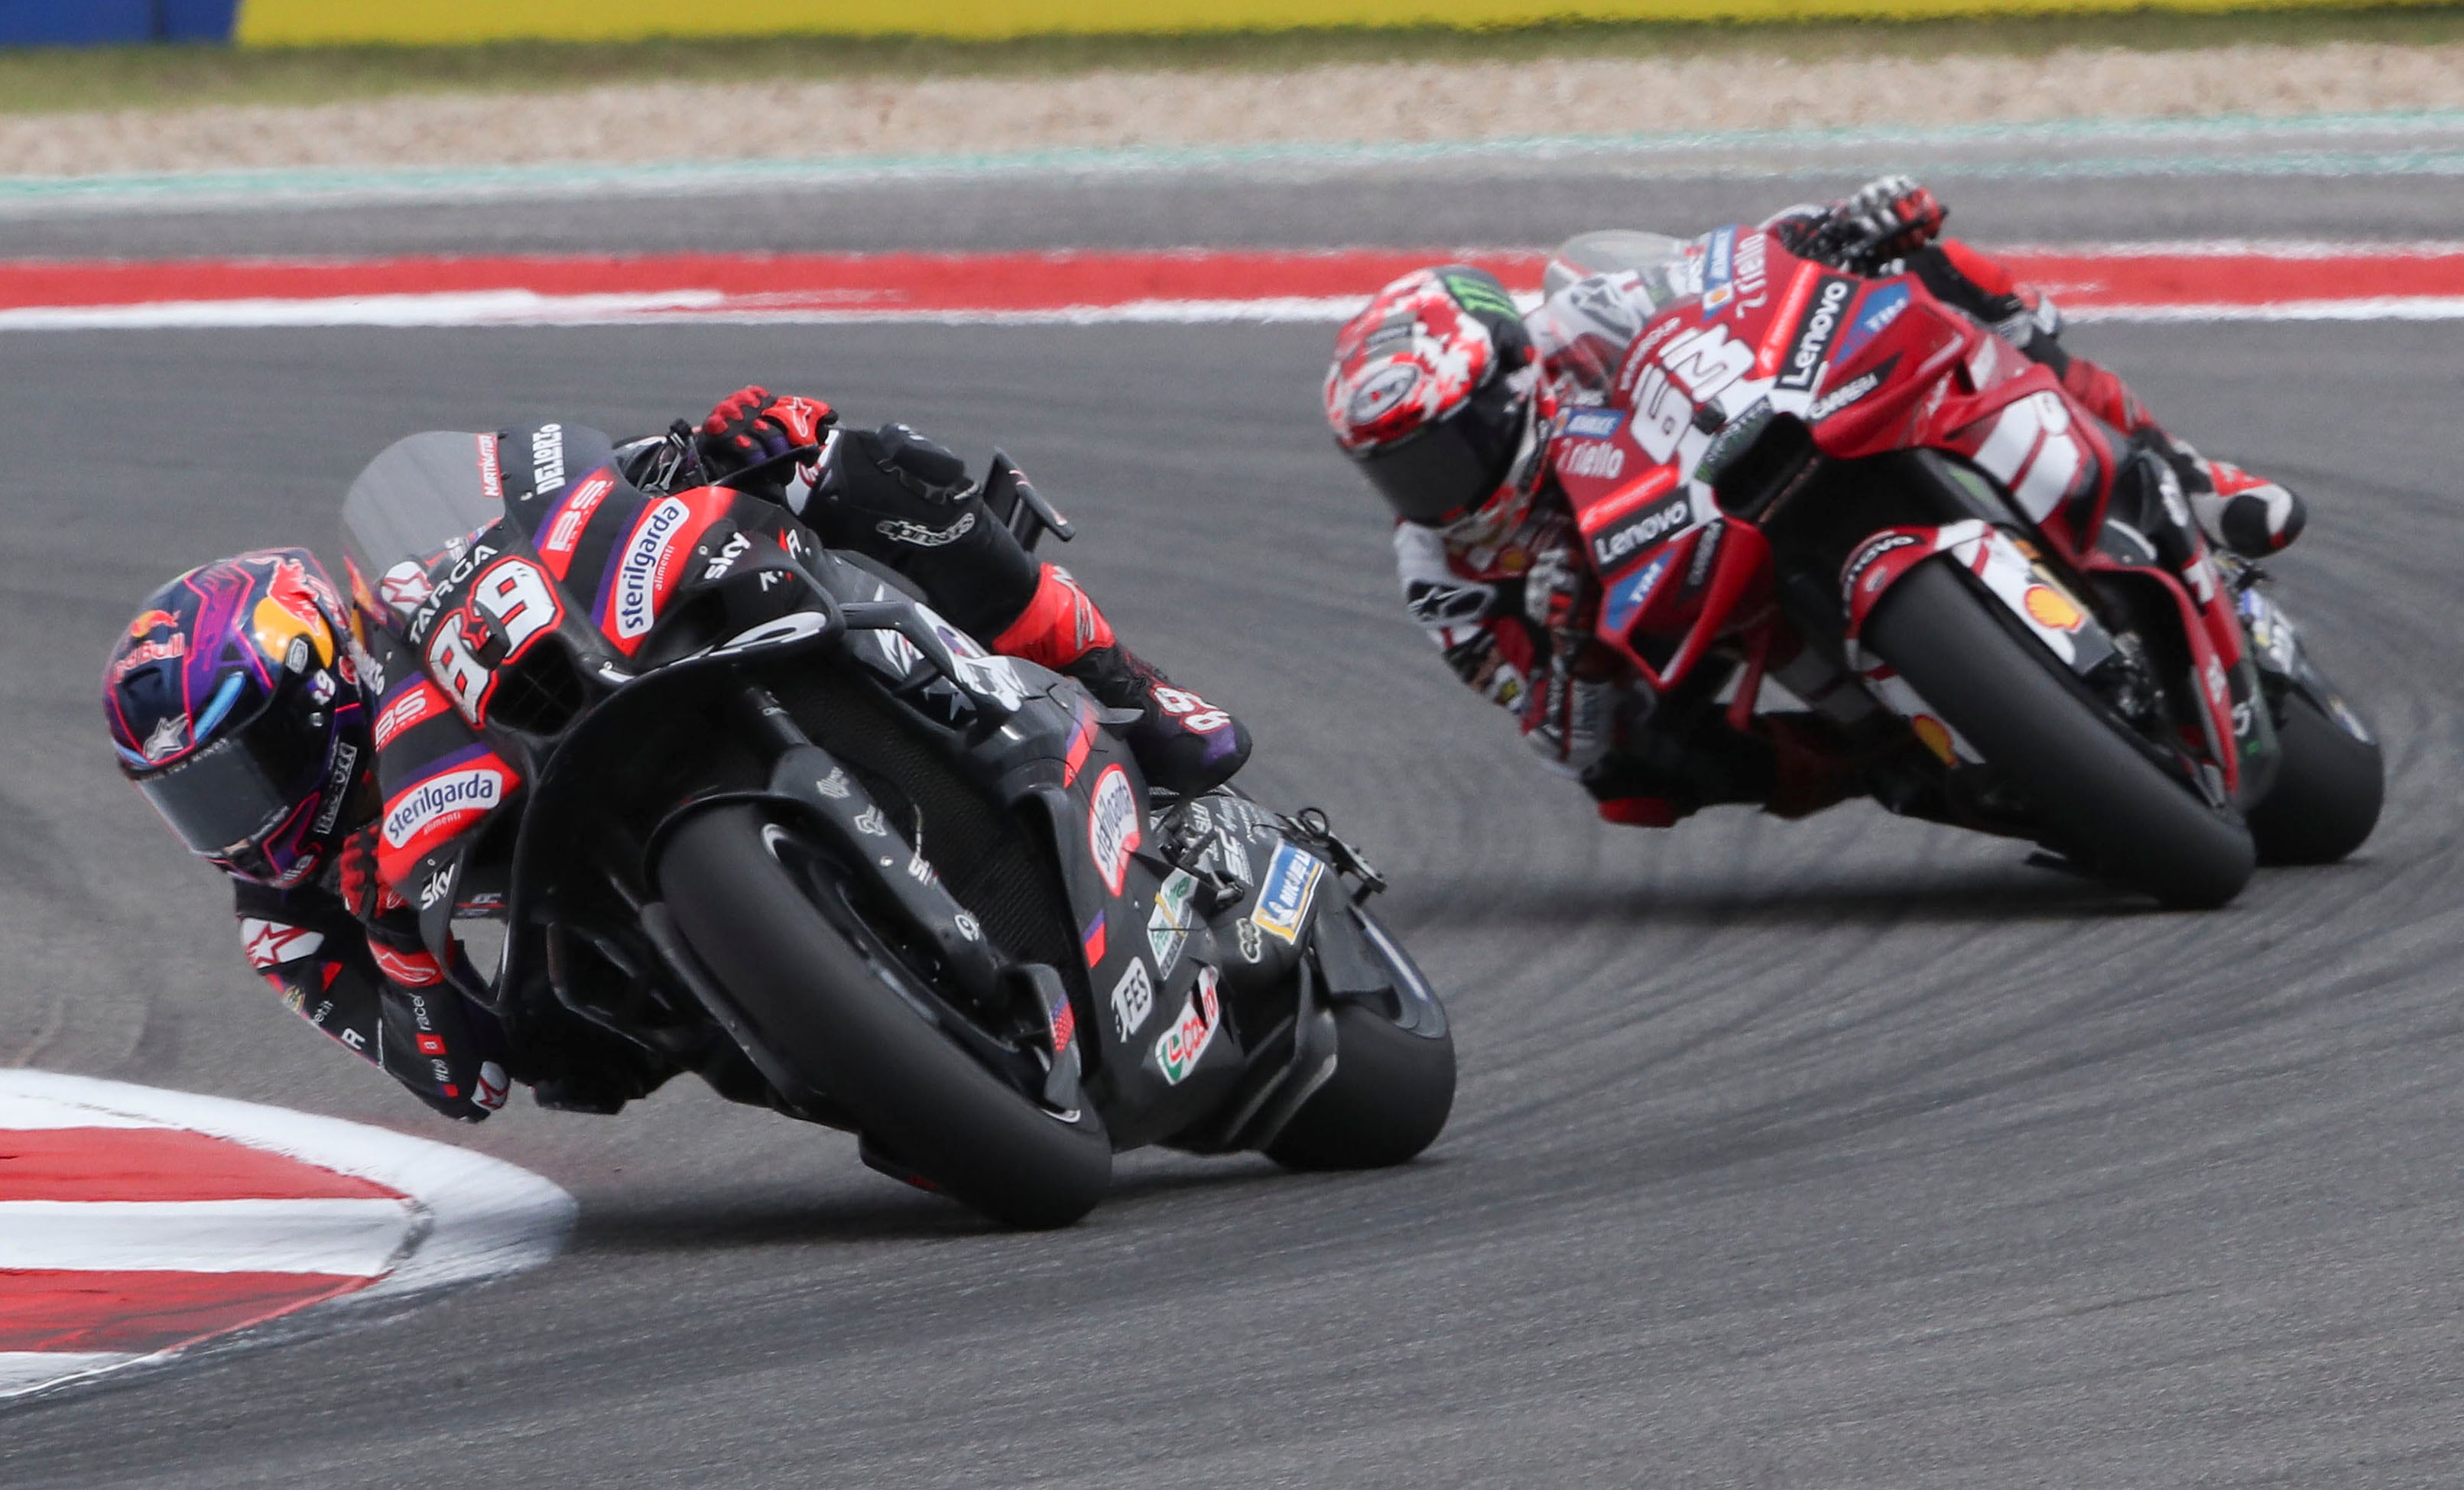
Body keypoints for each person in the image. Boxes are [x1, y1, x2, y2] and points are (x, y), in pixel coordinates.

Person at [103, 396, 1248, 1123]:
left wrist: (706, 449)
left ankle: (1125, 686)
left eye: (240, 772)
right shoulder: (284, 918)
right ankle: (862, 1042)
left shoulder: (404, 629)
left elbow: (553, 511)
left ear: (318, 692)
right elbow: (464, 1084)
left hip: (607, 699)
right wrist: (403, 952)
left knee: (833, 456)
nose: (236, 825)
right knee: (573, 1065)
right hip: (595, 942)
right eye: (192, 802)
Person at [1321, 177, 2304, 829]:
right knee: (1638, 786)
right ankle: (1883, 759)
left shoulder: (1578, 318)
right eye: (1400, 470)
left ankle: (2175, 467)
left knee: (1938, 271)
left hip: (1746, 455)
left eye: (1446, 446)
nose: (1432, 488)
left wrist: (1836, 225)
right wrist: (1576, 653)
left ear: (1510, 380)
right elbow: (1564, 744)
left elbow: (1720, 271)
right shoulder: (1443, 578)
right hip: (1687, 620)